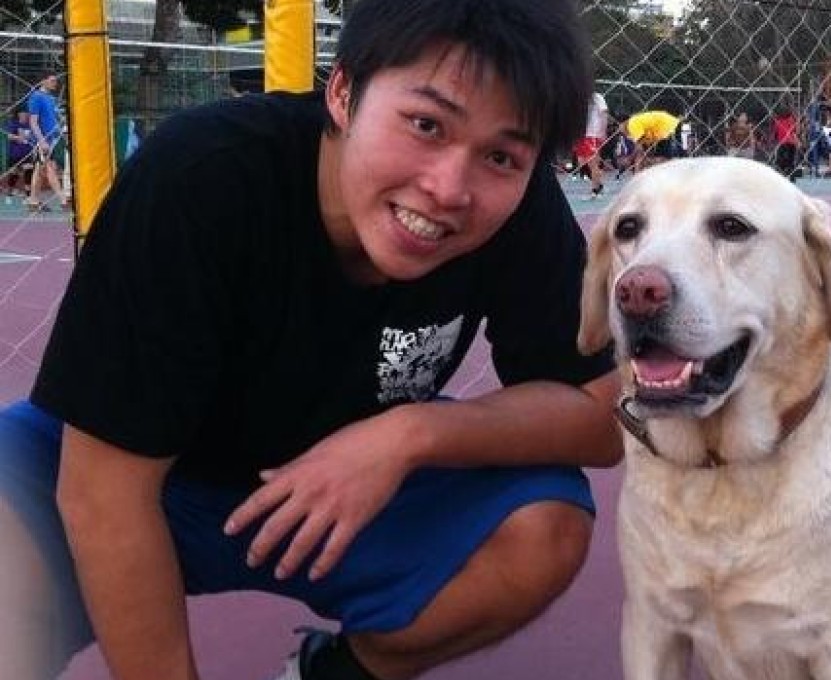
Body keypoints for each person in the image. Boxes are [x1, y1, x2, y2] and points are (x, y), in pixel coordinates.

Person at [0, 1, 624, 679]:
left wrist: (409, 435)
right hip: (141, 470)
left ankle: (328, 673)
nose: (449, 187)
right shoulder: (199, 177)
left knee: (542, 528)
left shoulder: (515, 207)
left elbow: (606, 413)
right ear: (343, 90)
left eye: (502, 154)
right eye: (426, 124)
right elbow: (103, 493)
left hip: (350, 484)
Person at [25, 73, 68, 212]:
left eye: (55, 80)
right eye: (52, 80)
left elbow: (55, 119)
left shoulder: (51, 98)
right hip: (43, 140)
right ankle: (63, 200)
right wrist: (42, 141)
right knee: (51, 168)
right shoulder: (36, 97)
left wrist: (62, 130)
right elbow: (33, 122)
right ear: (43, 81)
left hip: (53, 139)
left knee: (39, 170)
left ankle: (33, 200)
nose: (55, 83)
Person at [572, 91, 609, 199]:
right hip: (580, 134)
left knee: (592, 163)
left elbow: (604, 113)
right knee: (581, 162)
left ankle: (595, 191)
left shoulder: (596, 96)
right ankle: (599, 185)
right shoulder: (577, 98)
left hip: (592, 134)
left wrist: (603, 131)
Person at [3, 109, 34, 200]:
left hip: (27, 153)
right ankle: (10, 190)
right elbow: (9, 136)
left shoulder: (31, 125)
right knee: (14, 173)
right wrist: (18, 137)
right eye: (23, 113)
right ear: (19, 114)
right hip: (15, 153)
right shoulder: (14, 124)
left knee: (29, 170)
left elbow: (33, 136)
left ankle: (28, 194)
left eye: (26, 113)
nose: (25, 114)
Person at [771, 103, 799, 182]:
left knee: (780, 161)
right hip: (791, 143)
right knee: (791, 161)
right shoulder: (791, 120)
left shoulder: (778, 122)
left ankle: (781, 176)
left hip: (782, 144)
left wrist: (774, 140)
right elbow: (795, 131)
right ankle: (791, 177)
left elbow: (775, 134)